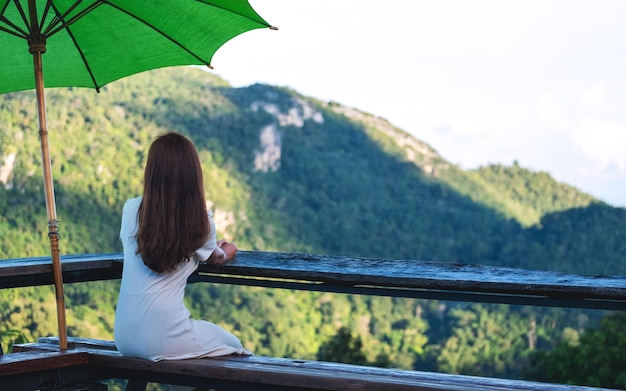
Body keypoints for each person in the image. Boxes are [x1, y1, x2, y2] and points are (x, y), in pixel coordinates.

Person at [114, 132, 251, 362]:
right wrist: (229, 250)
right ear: (193, 176)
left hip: (124, 337)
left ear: (152, 173)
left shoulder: (131, 210)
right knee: (233, 347)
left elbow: (158, 235)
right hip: (164, 335)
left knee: (182, 364)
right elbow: (215, 258)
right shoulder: (199, 222)